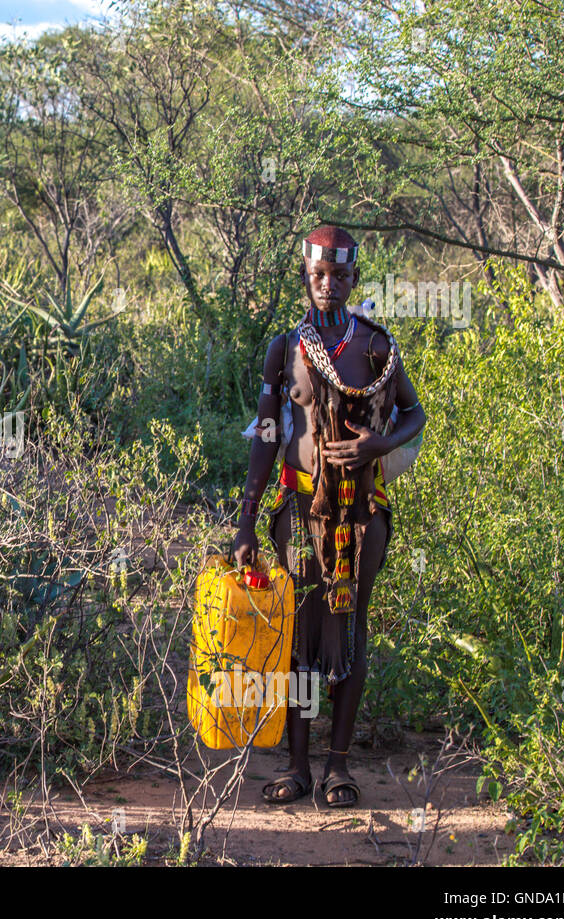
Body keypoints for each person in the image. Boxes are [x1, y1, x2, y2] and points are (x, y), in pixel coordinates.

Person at [230, 225, 426, 807]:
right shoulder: (284, 347)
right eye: (318, 275)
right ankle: (297, 765)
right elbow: (267, 435)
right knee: (297, 635)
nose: (328, 285)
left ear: (353, 279)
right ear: (304, 277)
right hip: (300, 506)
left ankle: (338, 767)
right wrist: (246, 520)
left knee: (350, 630)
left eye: (340, 276)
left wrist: (376, 448)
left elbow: (415, 416)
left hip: (362, 510)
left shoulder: (375, 345)